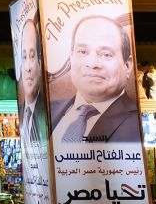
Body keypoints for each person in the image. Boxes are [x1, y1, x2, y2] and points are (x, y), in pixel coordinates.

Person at [50, 15, 141, 143]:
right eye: (82, 52)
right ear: (71, 57)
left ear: (127, 65)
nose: (92, 64)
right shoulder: (47, 112)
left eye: (106, 54)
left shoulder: (138, 122)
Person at [18, 19, 48, 147]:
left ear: (39, 63)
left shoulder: (47, 113)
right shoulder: (21, 113)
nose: (28, 67)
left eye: (32, 56)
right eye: (24, 58)